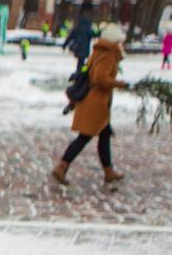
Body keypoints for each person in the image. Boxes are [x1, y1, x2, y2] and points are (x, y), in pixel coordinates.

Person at [51, 23, 130, 185]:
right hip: (95, 103)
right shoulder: (108, 54)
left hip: (96, 102)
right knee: (84, 137)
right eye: (120, 41)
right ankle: (61, 166)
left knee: (104, 135)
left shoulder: (100, 50)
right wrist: (119, 84)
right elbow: (100, 79)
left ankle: (108, 171)